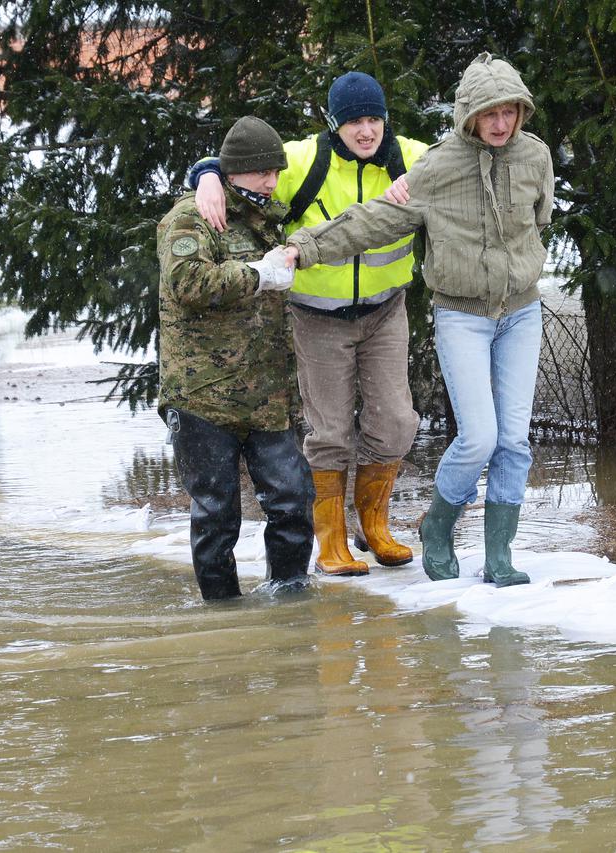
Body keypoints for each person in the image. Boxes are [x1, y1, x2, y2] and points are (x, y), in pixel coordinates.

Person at [284, 53, 554, 588]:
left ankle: (499, 554)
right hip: (461, 315)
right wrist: (306, 247)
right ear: (468, 114)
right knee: (477, 437)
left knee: (514, 442)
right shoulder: (435, 165)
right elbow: (376, 219)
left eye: (510, 112)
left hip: (521, 311)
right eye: (489, 112)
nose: (501, 123)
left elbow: (539, 216)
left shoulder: (535, 157)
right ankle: (435, 526)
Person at [185, 72, 429, 578]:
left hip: (386, 310)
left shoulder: (410, 157)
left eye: (374, 120)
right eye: (354, 122)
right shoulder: (303, 160)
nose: (366, 132)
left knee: (397, 421)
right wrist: (207, 174)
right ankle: (331, 540)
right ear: (333, 124)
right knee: (331, 430)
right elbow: (238, 167)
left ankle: (374, 526)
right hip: (317, 317)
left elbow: (464, 165)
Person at [156, 116, 314, 600]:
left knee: (291, 502)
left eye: (275, 170)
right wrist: (256, 275)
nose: (271, 180)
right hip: (203, 397)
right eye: (262, 171)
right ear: (235, 171)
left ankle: (289, 602)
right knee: (216, 515)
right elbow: (187, 283)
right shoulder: (191, 217)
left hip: (267, 397)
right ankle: (223, 618)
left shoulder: (268, 218)